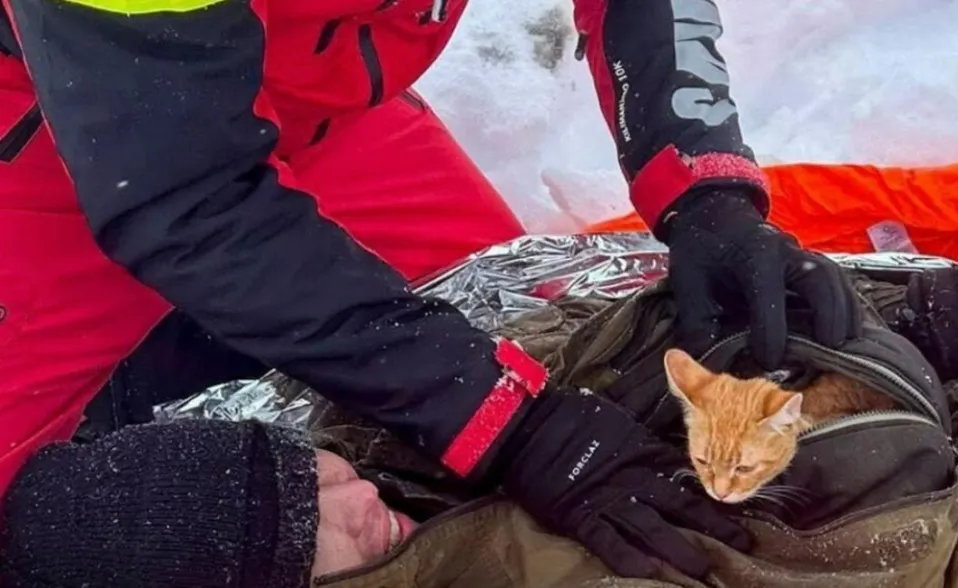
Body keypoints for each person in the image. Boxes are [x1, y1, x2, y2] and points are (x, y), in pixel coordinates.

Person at [0, 1, 859, 585]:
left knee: (557, 341)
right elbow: (185, 193)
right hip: (62, 130)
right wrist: (507, 424)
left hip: (328, 107)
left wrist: (704, 192)